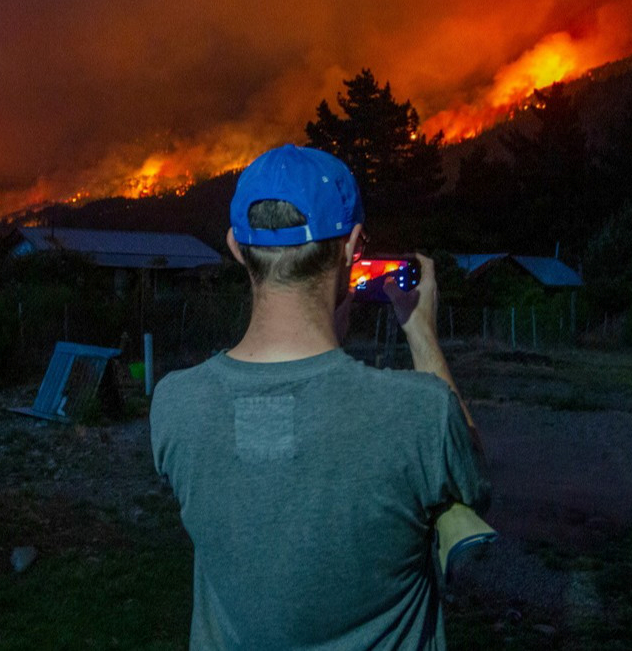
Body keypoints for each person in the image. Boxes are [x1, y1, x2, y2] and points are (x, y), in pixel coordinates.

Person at [151, 144, 490, 650]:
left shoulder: (175, 404)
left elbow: (280, 452)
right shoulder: (420, 413)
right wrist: (421, 332)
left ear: (236, 248)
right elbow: (474, 483)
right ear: (354, 248)